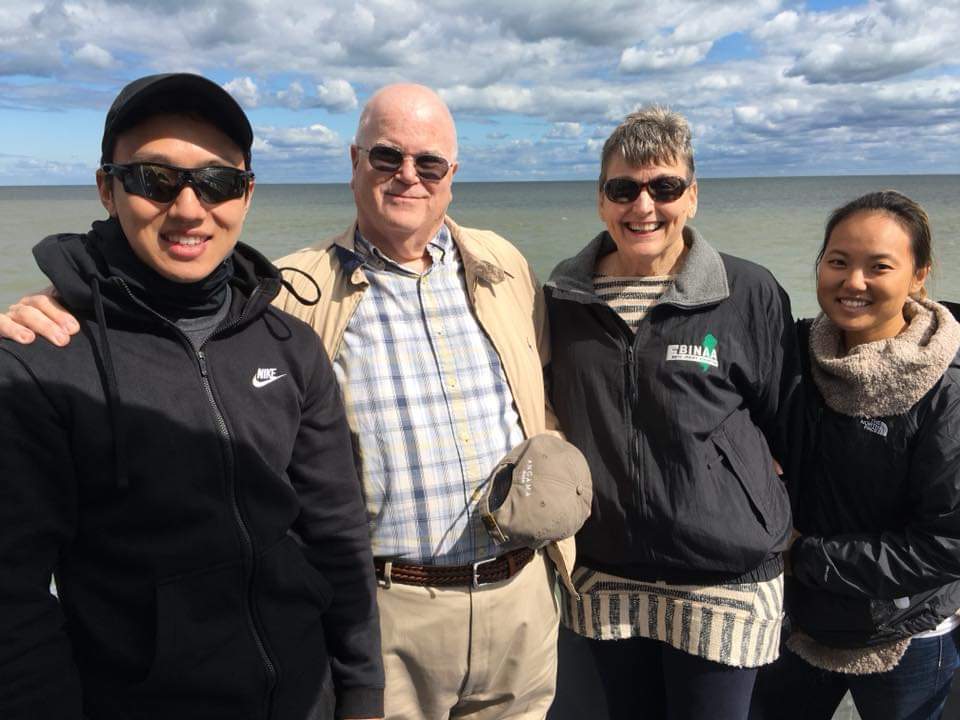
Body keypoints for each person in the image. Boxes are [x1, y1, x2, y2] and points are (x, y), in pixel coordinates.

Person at [0, 82, 580, 720]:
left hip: (521, 599)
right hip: (393, 615)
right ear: (355, 161)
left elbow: (541, 388)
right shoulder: (290, 294)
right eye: (386, 157)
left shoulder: (503, 264)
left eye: (429, 163)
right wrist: (64, 301)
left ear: (453, 175)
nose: (408, 176)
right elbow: (179, 304)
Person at [0, 73, 383, 720]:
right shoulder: (40, 362)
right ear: (107, 187)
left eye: (217, 182)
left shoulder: (287, 345)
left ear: (247, 193)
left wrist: (363, 694)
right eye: (154, 179)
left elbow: (338, 539)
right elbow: (14, 601)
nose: (187, 208)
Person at [543, 107, 797, 719]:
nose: (643, 207)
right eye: (623, 189)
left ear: (693, 196)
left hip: (722, 577)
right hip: (605, 571)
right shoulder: (561, 298)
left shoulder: (747, 290)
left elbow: (787, 421)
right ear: (602, 200)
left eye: (664, 187)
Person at [750, 191, 960, 720]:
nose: (854, 282)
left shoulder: (946, 388)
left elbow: (945, 544)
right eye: (838, 262)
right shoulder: (791, 356)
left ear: (919, 276)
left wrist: (806, 557)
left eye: (879, 266)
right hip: (796, 623)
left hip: (907, 634)